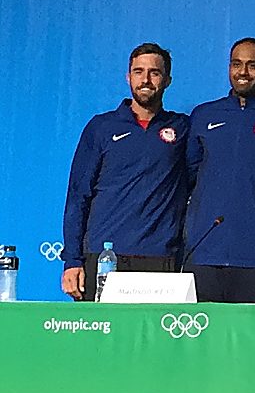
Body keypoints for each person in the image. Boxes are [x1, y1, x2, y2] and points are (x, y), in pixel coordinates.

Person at [61, 43, 190, 301]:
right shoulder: (101, 127)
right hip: (105, 258)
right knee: (100, 341)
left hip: (160, 259)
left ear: (167, 80)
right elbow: (78, 197)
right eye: (138, 71)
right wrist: (72, 261)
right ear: (128, 77)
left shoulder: (183, 128)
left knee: (155, 341)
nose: (146, 79)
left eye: (154, 73)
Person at [185, 38, 255, 303]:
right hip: (205, 252)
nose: (243, 72)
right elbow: (188, 176)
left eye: (252, 65)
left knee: (254, 342)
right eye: (236, 64)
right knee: (203, 340)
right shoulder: (203, 115)